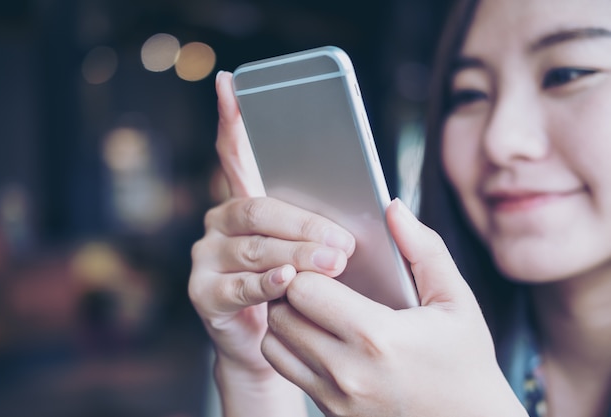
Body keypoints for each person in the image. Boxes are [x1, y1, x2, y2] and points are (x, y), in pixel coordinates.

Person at [189, 0, 611, 415]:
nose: (501, 139)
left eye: (567, 74)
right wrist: (258, 380)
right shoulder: (382, 362)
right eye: (469, 93)